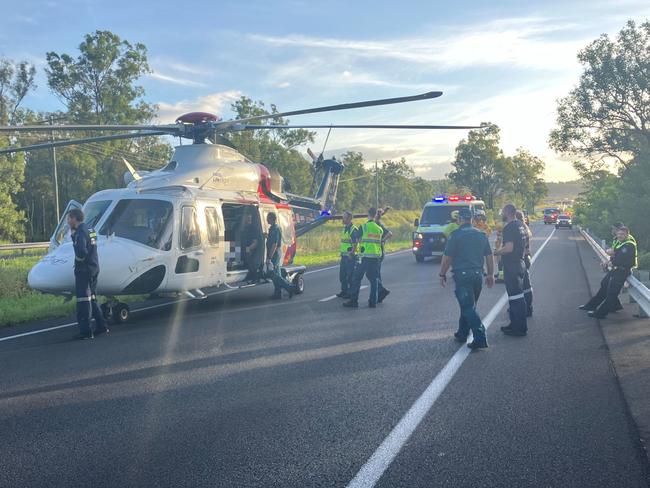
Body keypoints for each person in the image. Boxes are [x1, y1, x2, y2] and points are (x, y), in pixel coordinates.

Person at [439, 207, 495, 350]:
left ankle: (480, 337)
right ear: (471, 219)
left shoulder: (455, 235)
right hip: (478, 276)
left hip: (463, 276)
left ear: (459, 220)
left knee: (468, 307)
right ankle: (462, 333)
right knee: (469, 305)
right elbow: (489, 256)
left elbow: (447, 258)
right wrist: (490, 274)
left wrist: (442, 274)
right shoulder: (481, 234)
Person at [68, 208, 109, 340]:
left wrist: (79, 263)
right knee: (92, 298)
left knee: (83, 300)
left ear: (74, 218)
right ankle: (102, 326)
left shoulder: (80, 233)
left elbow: (81, 252)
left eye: (69, 218)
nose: (68, 221)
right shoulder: (91, 230)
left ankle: (85, 332)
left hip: (84, 270)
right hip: (94, 267)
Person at [580, 226, 637, 318]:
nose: (619, 236)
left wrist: (610, 262)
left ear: (627, 235)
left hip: (622, 271)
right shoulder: (621, 242)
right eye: (618, 234)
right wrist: (609, 261)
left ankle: (601, 313)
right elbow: (614, 256)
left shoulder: (628, 245)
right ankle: (592, 305)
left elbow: (619, 259)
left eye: (622, 234)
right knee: (604, 285)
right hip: (616, 269)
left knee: (611, 293)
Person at [493, 204, 528, 336]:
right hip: (520, 262)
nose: (501, 213)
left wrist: (497, 252)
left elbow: (508, 248)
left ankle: (519, 328)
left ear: (507, 212)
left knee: (516, 298)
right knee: (516, 297)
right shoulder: (520, 225)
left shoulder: (509, 228)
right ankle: (514, 324)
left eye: (502, 211)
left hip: (512, 265)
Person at [343, 207, 384, 308]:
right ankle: (373, 302)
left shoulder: (363, 227)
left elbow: (356, 240)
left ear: (368, 214)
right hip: (375, 257)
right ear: (375, 215)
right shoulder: (379, 229)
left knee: (356, 278)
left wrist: (352, 253)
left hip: (364, 257)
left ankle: (353, 301)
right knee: (374, 280)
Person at [265, 212, 297, 299]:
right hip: (274, 253)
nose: (266, 219)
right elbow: (272, 240)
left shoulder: (275, 229)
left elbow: (275, 244)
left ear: (271, 218)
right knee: (277, 273)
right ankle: (278, 293)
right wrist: (267, 236)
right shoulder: (273, 228)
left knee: (274, 274)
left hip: (274, 254)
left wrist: (269, 257)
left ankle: (290, 287)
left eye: (268, 218)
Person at [515, 209, 534, 317]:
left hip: (521, 258)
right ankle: (529, 307)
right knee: (526, 285)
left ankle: (523, 308)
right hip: (527, 257)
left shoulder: (518, 228)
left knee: (521, 286)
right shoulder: (525, 227)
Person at [336, 211, 357, 298]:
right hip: (344, 256)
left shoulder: (353, 229)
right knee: (342, 276)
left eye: (344, 217)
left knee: (350, 277)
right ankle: (344, 291)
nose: (342, 219)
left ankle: (350, 293)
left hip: (350, 257)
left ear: (349, 219)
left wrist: (351, 253)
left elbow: (355, 243)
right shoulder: (344, 229)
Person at [375, 207, 392, 303]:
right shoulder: (376, 224)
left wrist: (383, 240)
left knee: (374, 274)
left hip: (378, 252)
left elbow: (390, 233)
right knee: (376, 274)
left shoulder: (378, 225)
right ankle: (380, 293)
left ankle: (381, 291)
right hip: (377, 252)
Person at [243, 211, 262, 283]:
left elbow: (255, 242)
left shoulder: (253, 229)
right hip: (244, 248)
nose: (248, 220)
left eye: (249, 218)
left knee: (252, 263)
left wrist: (248, 249)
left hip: (252, 250)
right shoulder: (244, 228)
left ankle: (255, 277)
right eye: (247, 218)